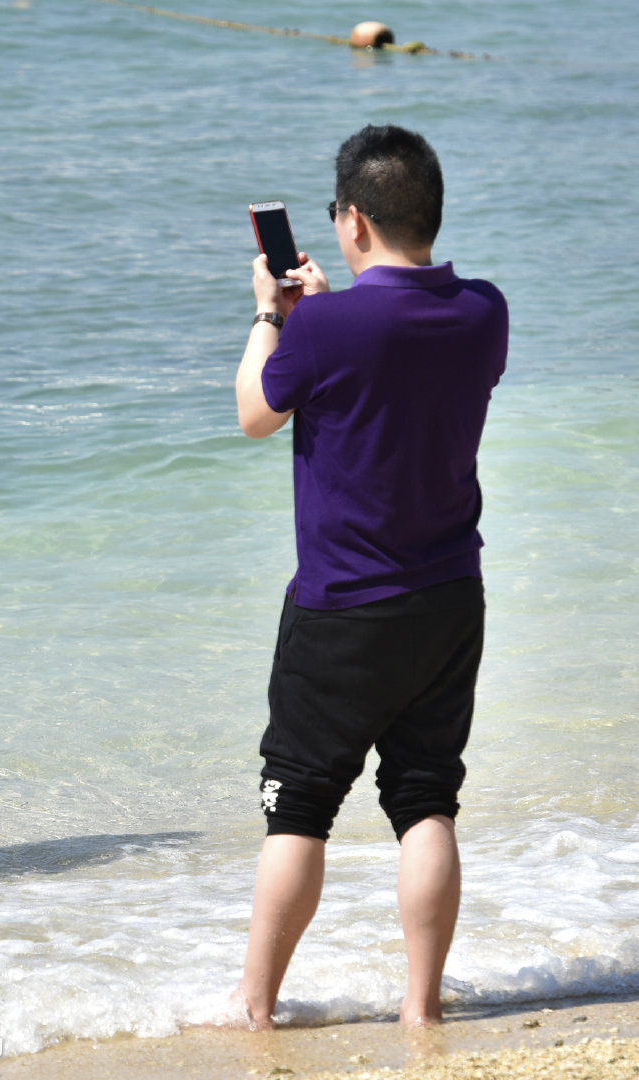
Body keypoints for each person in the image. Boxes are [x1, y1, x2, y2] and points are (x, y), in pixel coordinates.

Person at [229, 126, 508, 1028]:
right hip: (448, 597)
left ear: (351, 220)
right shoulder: (484, 311)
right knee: (426, 799)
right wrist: (323, 309)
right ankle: (421, 1009)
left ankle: (256, 1007)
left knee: (299, 808)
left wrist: (273, 311)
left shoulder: (324, 326)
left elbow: (253, 414)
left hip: (344, 607)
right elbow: (395, 341)